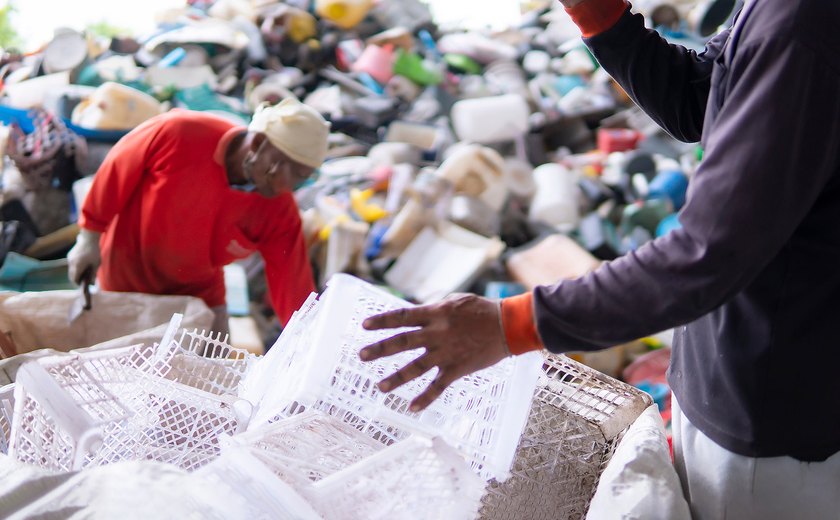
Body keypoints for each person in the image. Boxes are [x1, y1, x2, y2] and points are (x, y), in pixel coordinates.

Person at [359, 0, 840, 517]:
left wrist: (510, 326)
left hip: (773, 414)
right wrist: (602, 18)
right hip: (732, 369)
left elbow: (709, 253)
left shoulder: (805, 24)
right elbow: (703, 99)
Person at [67, 98, 330, 335]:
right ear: (259, 144)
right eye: (291, 172)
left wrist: (307, 339)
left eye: (302, 178)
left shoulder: (279, 211)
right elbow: (116, 172)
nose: (291, 186)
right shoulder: (180, 132)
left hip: (198, 295)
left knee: (214, 371)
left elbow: (294, 290)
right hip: (125, 277)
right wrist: (89, 238)